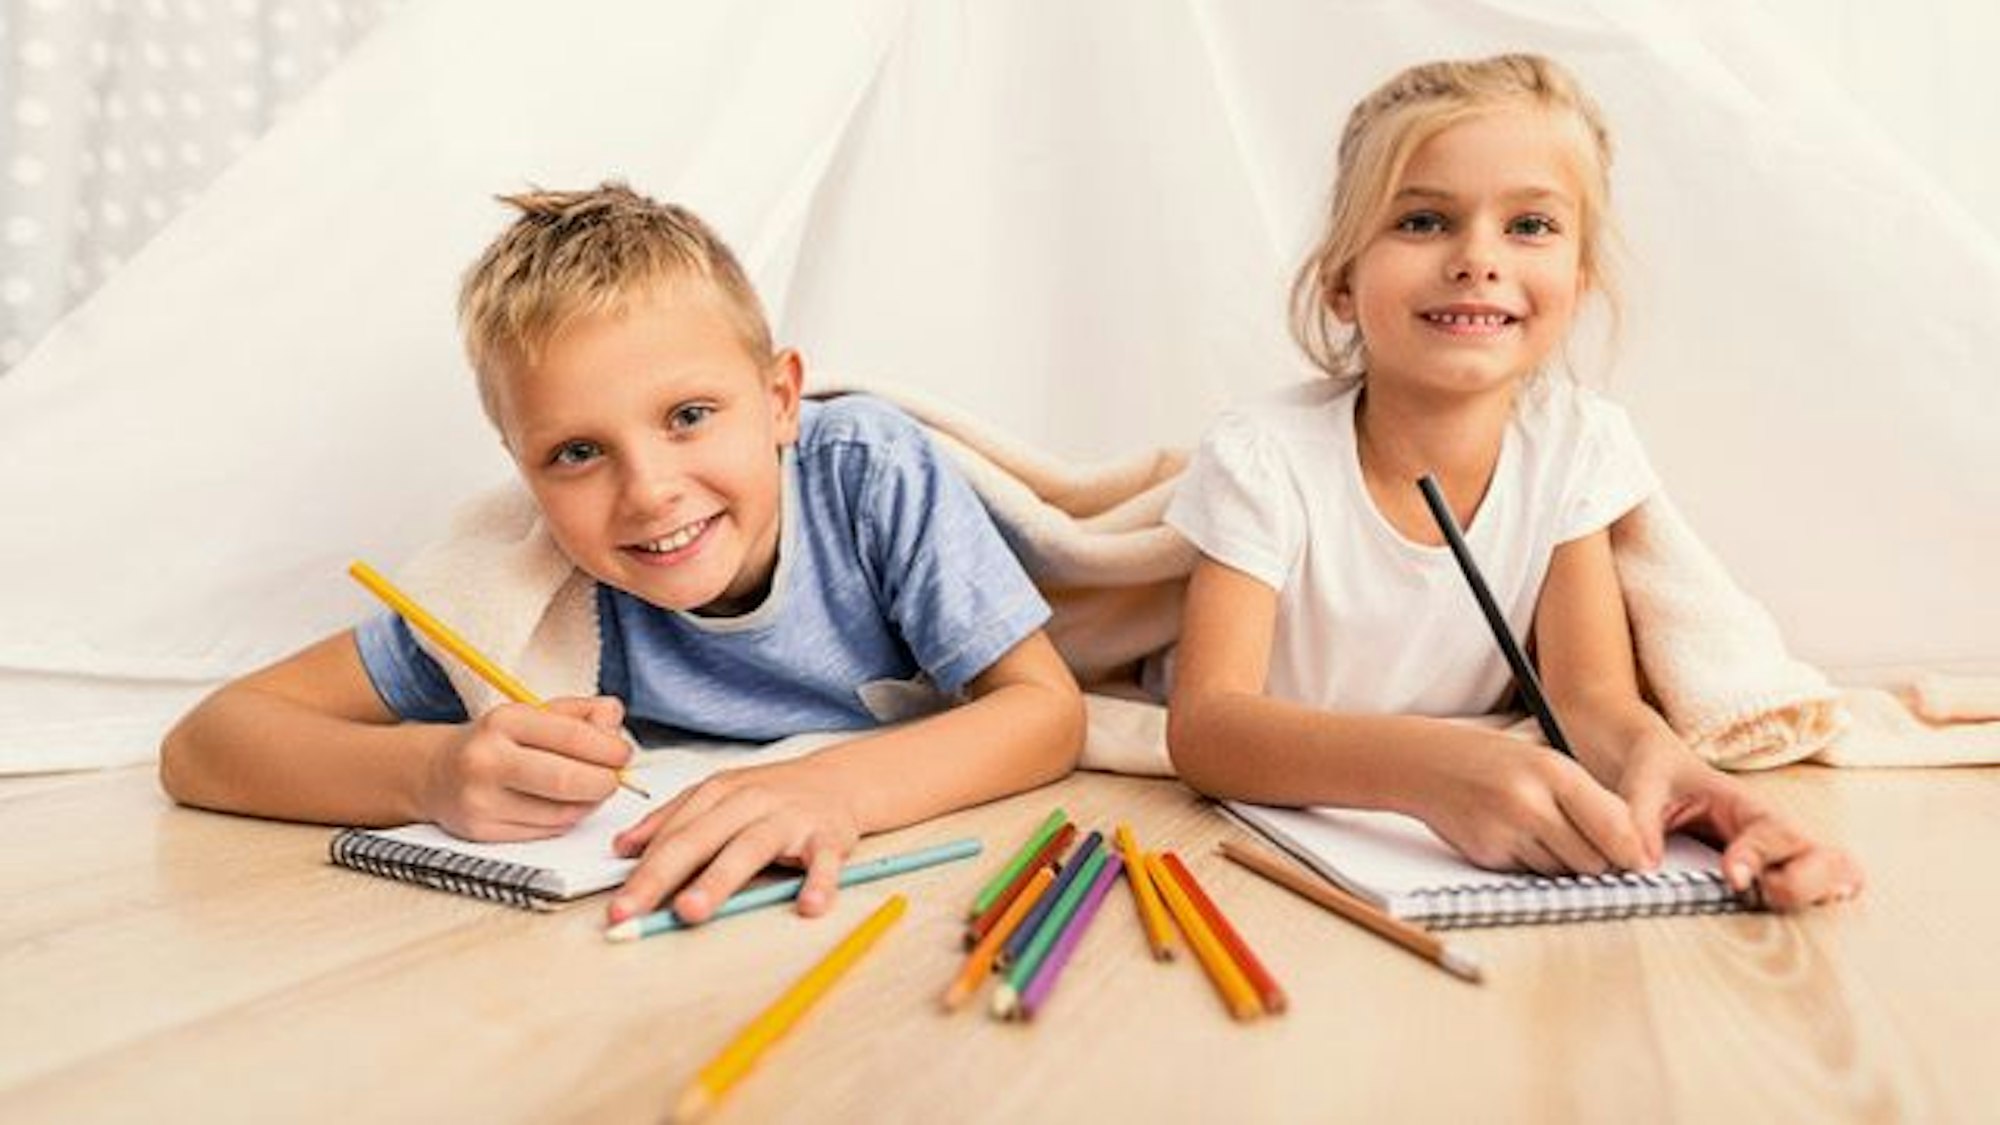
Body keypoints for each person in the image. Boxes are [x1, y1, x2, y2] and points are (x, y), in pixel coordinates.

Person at [160, 182, 1085, 924]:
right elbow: (206, 744)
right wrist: (432, 772)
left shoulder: (869, 474)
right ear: (523, 469)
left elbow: (1047, 710)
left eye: (689, 416)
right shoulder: (521, 581)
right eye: (576, 453)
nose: (648, 490)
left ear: (778, 401)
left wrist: (832, 790)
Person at [1164, 54, 1861, 908]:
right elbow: (1206, 726)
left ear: (1579, 281)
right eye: (1423, 221)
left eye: (1530, 226)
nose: (1476, 259)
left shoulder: (1575, 448)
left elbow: (1593, 701)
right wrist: (1432, 768)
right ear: (1342, 281)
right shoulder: (1264, 457)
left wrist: (1691, 784)